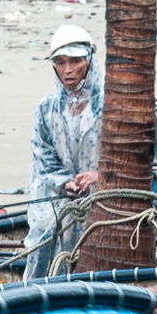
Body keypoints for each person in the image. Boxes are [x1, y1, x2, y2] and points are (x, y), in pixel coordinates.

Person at [23, 24, 104, 279]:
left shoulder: (110, 103)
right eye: (60, 62)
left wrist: (100, 175)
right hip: (56, 195)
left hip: (102, 194)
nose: (68, 70)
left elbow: (132, 154)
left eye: (75, 61)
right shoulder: (47, 108)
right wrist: (65, 183)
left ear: (89, 61)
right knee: (45, 234)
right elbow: (43, 155)